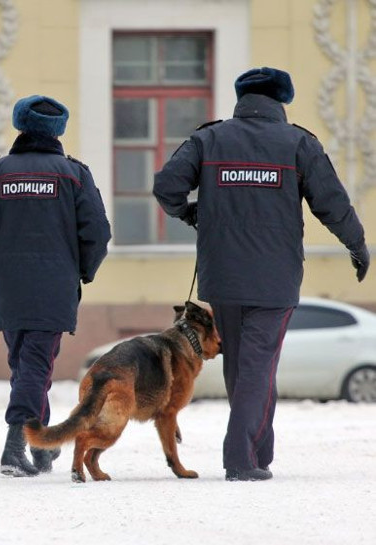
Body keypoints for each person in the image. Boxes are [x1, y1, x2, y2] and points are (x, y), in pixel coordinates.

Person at [153, 67, 369, 482]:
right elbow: (332, 203)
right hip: (275, 280)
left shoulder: (209, 139)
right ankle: (240, 457)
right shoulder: (298, 144)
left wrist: (189, 212)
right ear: (281, 100)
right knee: (257, 366)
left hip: (223, 278)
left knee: (244, 366)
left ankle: (258, 452)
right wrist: (357, 245)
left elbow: (167, 187)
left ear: (242, 98)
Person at [0, 95, 111, 477]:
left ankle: (40, 448)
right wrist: (83, 272)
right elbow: (97, 233)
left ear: (19, 124)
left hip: (8, 285)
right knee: (35, 365)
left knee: (27, 365)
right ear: (58, 130)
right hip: (55, 284)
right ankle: (15, 445)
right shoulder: (74, 174)